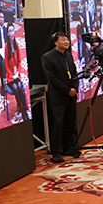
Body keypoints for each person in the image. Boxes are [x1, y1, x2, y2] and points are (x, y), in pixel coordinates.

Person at [41, 32, 80, 164]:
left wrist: (75, 88)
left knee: (71, 122)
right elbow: (52, 78)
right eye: (62, 40)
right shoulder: (47, 57)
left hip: (71, 94)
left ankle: (68, 147)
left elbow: (74, 73)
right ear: (55, 42)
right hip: (58, 95)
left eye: (67, 39)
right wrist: (67, 90)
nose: (66, 42)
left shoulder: (68, 55)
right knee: (58, 123)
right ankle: (56, 152)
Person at [4, 23, 29, 122]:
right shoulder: (6, 46)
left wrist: (17, 73)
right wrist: (11, 75)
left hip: (16, 74)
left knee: (19, 86)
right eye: (10, 31)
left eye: (13, 30)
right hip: (10, 76)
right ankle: (23, 111)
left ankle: (24, 110)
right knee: (15, 87)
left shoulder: (16, 44)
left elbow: (19, 61)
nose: (12, 33)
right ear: (7, 33)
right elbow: (6, 64)